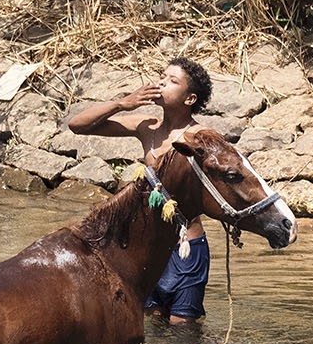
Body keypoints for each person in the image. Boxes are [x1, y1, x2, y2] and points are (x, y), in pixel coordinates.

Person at [66, 57, 215, 324]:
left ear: (190, 99)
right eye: (162, 76)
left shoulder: (202, 137)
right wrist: (122, 104)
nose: (161, 82)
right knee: (151, 322)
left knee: (181, 329)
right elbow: (78, 125)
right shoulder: (147, 127)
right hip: (147, 247)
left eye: (172, 80)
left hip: (186, 246)